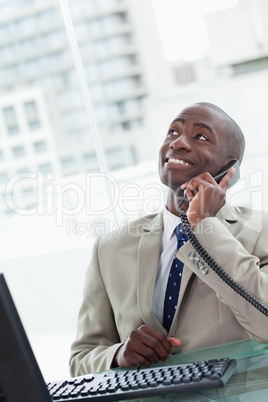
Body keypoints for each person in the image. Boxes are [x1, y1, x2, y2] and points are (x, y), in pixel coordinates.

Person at [69, 102, 268, 375]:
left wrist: (204, 224)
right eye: (172, 132)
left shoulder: (261, 231)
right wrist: (118, 354)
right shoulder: (109, 249)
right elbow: (81, 359)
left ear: (229, 169)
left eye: (201, 137)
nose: (178, 143)